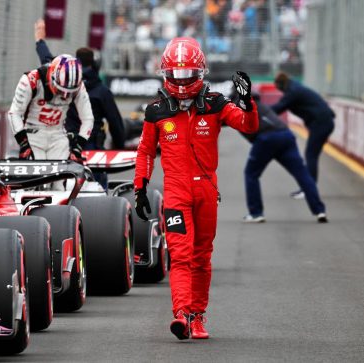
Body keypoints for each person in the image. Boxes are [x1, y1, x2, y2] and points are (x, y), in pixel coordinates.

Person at [133, 37, 259, 340]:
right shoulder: (156, 111)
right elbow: (146, 151)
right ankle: (181, 315)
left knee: (202, 256)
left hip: (206, 192)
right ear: (165, 74)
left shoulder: (215, 103)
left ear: (199, 73)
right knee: (180, 256)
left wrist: (247, 102)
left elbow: (248, 126)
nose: (180, 81)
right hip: (175, 193)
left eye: (187, 74)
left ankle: (198, 316)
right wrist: (140, 187)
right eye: (175, 75)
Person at [234, 92, 328, 223]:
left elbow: (225, 120)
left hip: (265, 139)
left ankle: (256, 213)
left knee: (251, 174)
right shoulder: (262, 105)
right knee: (302, 174)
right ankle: (319, 210)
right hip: (285, 135)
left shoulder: (240, 109)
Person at [34, 19, 125, 151]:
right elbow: (115, 122)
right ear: (95, 65)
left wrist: (39, 41)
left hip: (64, 144)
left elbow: (47, 60)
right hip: (91, 146)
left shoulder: (62, 80)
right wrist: (119, 147)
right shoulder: (102, 92)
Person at [7, 54, 93, 163]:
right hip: (33, 135)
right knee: (38, 177)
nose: (65, 96)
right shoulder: (31, 80)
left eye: (70, 93)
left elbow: (88, 118)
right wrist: (24, 144)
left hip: (59, 135)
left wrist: (77, 148)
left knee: (65, 177)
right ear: (52, 76)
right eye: (61, 90)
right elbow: (14, 113)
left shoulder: (79, 86)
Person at [271, 72, 335, 199]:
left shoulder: (293, 91)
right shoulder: (294, 87)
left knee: (311, 155)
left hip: (321, 123)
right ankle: (308, 188)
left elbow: (278, 108)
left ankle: (309, 189)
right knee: (312, 155)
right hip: (323, 122)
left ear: (281, 84)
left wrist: (257, 110)